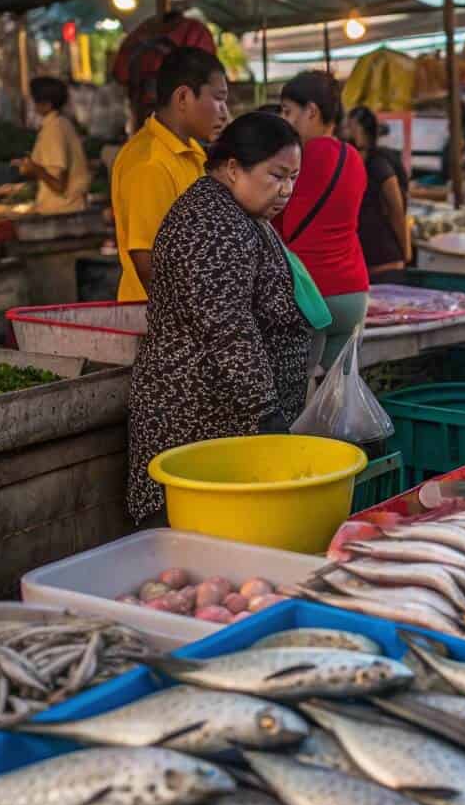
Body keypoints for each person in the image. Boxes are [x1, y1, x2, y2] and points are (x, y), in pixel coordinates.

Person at [126, 112, 327, 524]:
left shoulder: (240, 213)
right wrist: (267, 412)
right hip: (197, 424)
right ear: (233, 168)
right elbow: (227, 327)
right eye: (276, 176)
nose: (287, 190)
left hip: (227, 427)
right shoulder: (209, 222)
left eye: (293, 177)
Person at [110, 47, 229, 302]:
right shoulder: (149, 163)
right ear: (184, 97)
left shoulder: (193, 150)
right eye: (219, 99)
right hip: (155, 322)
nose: (224, 112)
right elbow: (148, 262)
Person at [277, 71, 368, 368]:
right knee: (338, 395)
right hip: (353, 292)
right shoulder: (353, 157)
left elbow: (276, 219)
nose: (283, 120)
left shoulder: (292, 159)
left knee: (299, 394)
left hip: (308, 292)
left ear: (312, 111)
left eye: (288, 111)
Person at [345, 105, 411, 282]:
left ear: (362, 133)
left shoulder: (378, 164)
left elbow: (397, 211)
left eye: (349, 127)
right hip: (364, 265)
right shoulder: (349, 165)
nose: (344, 133)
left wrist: (406, 251)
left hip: (386, 264)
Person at [16, 76, 90, 215]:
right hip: (64, 208)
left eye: (34, 101)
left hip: (62, 211)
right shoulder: (61, 124)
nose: (33, 105)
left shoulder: (54, 129)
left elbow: (59, 185)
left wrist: (35, 169)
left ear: (47, 104)